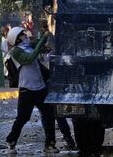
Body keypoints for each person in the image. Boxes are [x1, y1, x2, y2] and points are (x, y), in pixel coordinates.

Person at [5, 26, 59, 154]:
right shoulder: (15, 52)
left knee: (49, 116)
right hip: (27, 90)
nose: (26, 36)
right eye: (23, 35)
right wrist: (42, 40)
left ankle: (50, 144)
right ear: (17, 39)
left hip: (40, 87)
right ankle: (11, 140)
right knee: (23, 118)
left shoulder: (29, 46)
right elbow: (28, 58)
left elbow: (41, 47)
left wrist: (44, 35)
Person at [39, 20, 76, 150]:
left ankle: (56, 140)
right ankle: (67, 139)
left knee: (50, 116)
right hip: (52, 87)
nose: (47, 44)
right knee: (56, 116)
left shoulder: (52, 56)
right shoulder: (54, 54)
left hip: (50, 87)